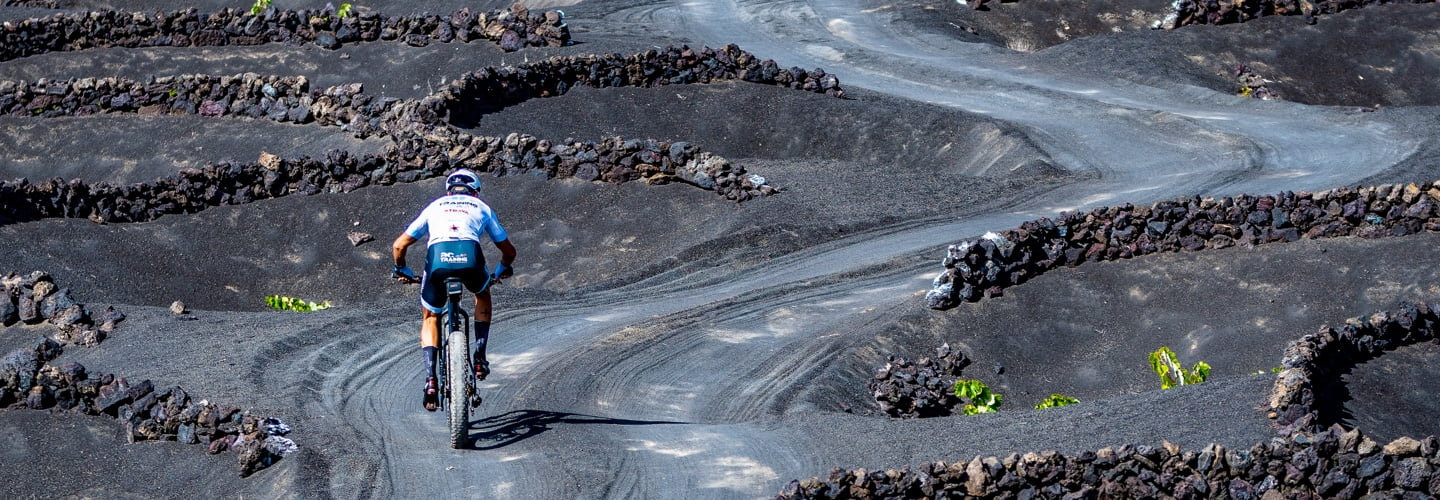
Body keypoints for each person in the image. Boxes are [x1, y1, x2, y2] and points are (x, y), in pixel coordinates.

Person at [391, 168, 516, 411]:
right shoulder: (482, 207)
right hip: (470, 257)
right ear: (475, 192)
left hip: (438, 259)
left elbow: (399, 246)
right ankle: (479, 358)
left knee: (430, 316)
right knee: (482, 293)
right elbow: (509, 252)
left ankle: (430, 380)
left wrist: (402, 269)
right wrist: (501, 271)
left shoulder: (435, 206)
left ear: (449, 191)